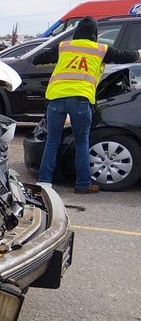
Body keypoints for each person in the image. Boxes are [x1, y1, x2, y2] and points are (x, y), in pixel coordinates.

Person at [33, 16, 141, 193]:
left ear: (77, 32)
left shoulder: (64, 47)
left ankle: (44, 183)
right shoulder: (101, 49)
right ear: (95, 33)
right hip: (81, 101)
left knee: (52, 141)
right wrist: (138, 53)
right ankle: (82, 184)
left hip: (56, 99)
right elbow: (126, 56)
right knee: (82, 143)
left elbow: (38, 59)